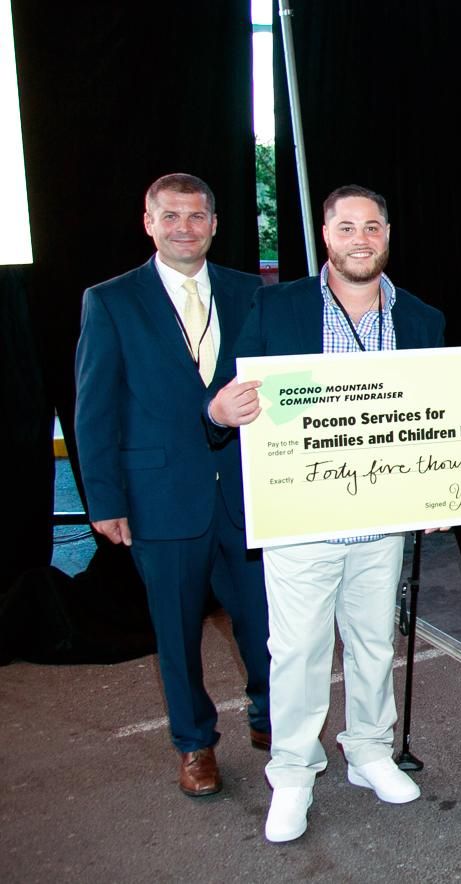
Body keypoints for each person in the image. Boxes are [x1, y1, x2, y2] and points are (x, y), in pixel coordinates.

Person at [207, 185, 443, 842]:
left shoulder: (421, 319)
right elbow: (226, 395)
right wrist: (220, 412)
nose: (360, 239)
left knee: (374, 645)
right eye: (346, 227)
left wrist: (438, 488)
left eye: (372, 226)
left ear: (387, 235)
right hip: (301, 519)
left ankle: (369, 750)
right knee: (299, 651)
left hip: (382, 522)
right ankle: (293, 771)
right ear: (325, 234)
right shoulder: (274, 307)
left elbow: (438, 421)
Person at [74, 173, 271, 798]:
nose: (184, 227)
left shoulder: (251, 293)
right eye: (171, 217)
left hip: (245, 494)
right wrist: (104, 500)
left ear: (214, 224)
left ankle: (270, 716)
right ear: (149, 223)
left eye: (196, 216)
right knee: (177, 633)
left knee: (263, 621)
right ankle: (194, 744)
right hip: (159, 500)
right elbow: (93, 407)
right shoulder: (111, 301)